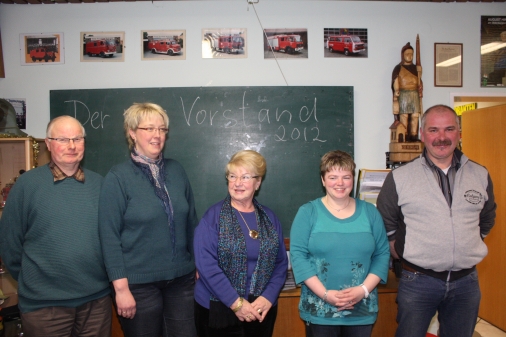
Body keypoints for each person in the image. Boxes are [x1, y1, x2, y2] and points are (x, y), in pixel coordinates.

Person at [377, 105, 497, 337]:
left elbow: (487, 217)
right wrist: (400, 250)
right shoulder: (400, 177)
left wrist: (466, 243)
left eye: (449, 129)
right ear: (422, 134)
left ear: (459, 133)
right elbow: (385, 221)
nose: (441, 137)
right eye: (433, 130)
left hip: (466, 283)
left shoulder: (479, 174)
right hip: (418, 281)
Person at [0, 116, 112, 337]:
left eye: (77, 139)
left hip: (96, 303)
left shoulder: (100, 184)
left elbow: (110, 238)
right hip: (45, 307)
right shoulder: (27, 185)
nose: (71, 146)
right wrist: (34, 280)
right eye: (62, 139)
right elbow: (9, 243)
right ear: (49, 144)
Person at [98, 103, 198, 337]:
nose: (157, 135)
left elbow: (191, 221)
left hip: (181, 281)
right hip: (138, 285)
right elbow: (108, 236)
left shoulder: (177, 170)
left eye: (162, 129)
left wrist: (196, 264)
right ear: (132, 133)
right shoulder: (117, 177)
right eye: (149, 128)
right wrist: (120, 288)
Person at [290, 150, 390, 337]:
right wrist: (326, 294)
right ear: (323, 180)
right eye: (333, 177)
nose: (340, 183)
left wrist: (363, 290)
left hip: (362, 309)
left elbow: (382, 254)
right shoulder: (308, 212)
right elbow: (298, 256)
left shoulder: (370, 213)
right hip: (319, 310)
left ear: (353, 179)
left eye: (346, 177)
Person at [194, 150, 288, 337]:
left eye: (245, 177)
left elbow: (280, 264)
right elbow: (206, 266)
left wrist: (268, 297)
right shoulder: (212, 217)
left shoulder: (269, 218)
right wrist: (236, 303)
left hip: (261, 310)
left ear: (258, 182)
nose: (237, 183)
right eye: (232, 176)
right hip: (218, 311)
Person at [392, 42, 423, 142]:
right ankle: (404, 136)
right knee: (404, 116)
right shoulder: (398, 68)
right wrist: (396, 91)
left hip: (414, 94)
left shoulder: (416, 68)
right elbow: (395, 80)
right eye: (407, 54)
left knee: (415, 115)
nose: (409, 56)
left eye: (411, 54)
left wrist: (421, 87)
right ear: (403, 55)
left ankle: (413, 135)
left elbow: (419, 80)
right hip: (404, 94)